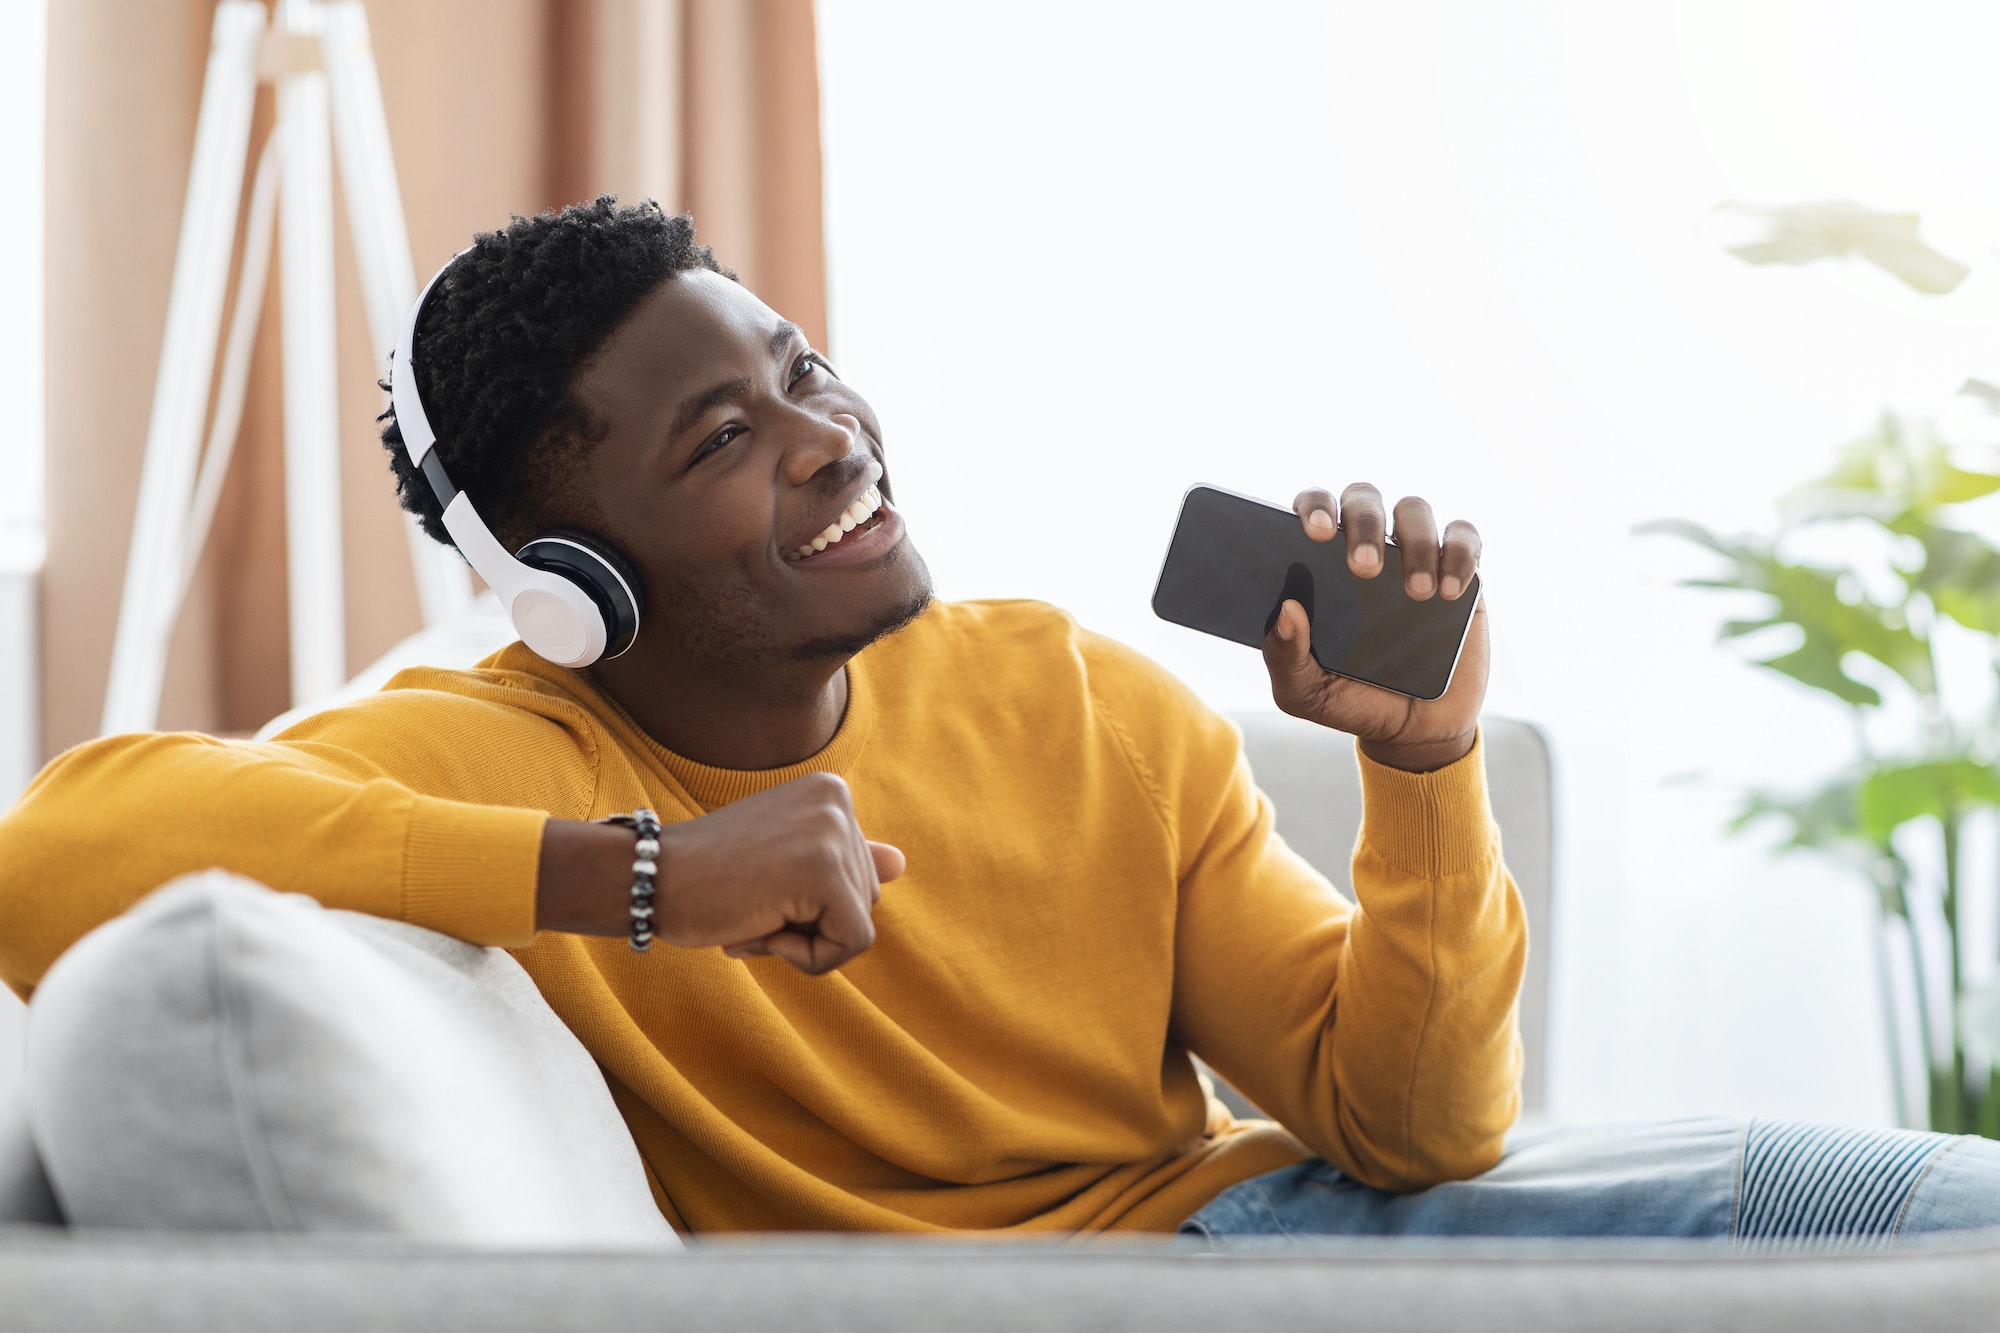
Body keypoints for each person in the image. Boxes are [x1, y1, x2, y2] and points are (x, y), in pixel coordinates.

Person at [1, 197, 1994, 1245]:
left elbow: (1412, 1124)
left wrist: (1420, 772)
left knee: (1909, 1214)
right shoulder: (522, 749)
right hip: (1105, 1291)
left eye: (799, 371)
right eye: (723, 437)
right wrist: (642, 877)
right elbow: (55, 853)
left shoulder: (1067, 691)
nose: (828, 438)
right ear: (560, 579)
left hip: (1280, 1229)